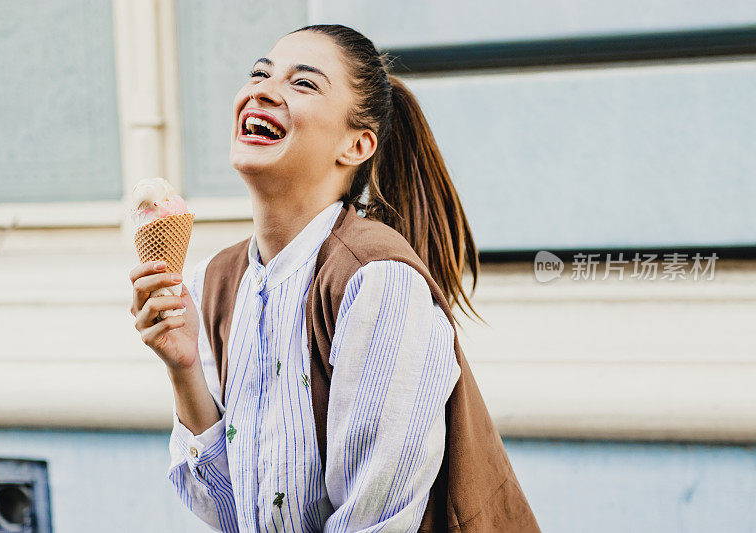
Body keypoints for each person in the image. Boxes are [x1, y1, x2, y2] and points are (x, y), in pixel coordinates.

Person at [129, 24, 537, 532]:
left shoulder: (377, 281)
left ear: (357, 144)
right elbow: (233, 516)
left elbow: (376, 521)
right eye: (259, 72)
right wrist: (183, 367)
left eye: (303, 83)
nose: (261, 89)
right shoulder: (215, 281)